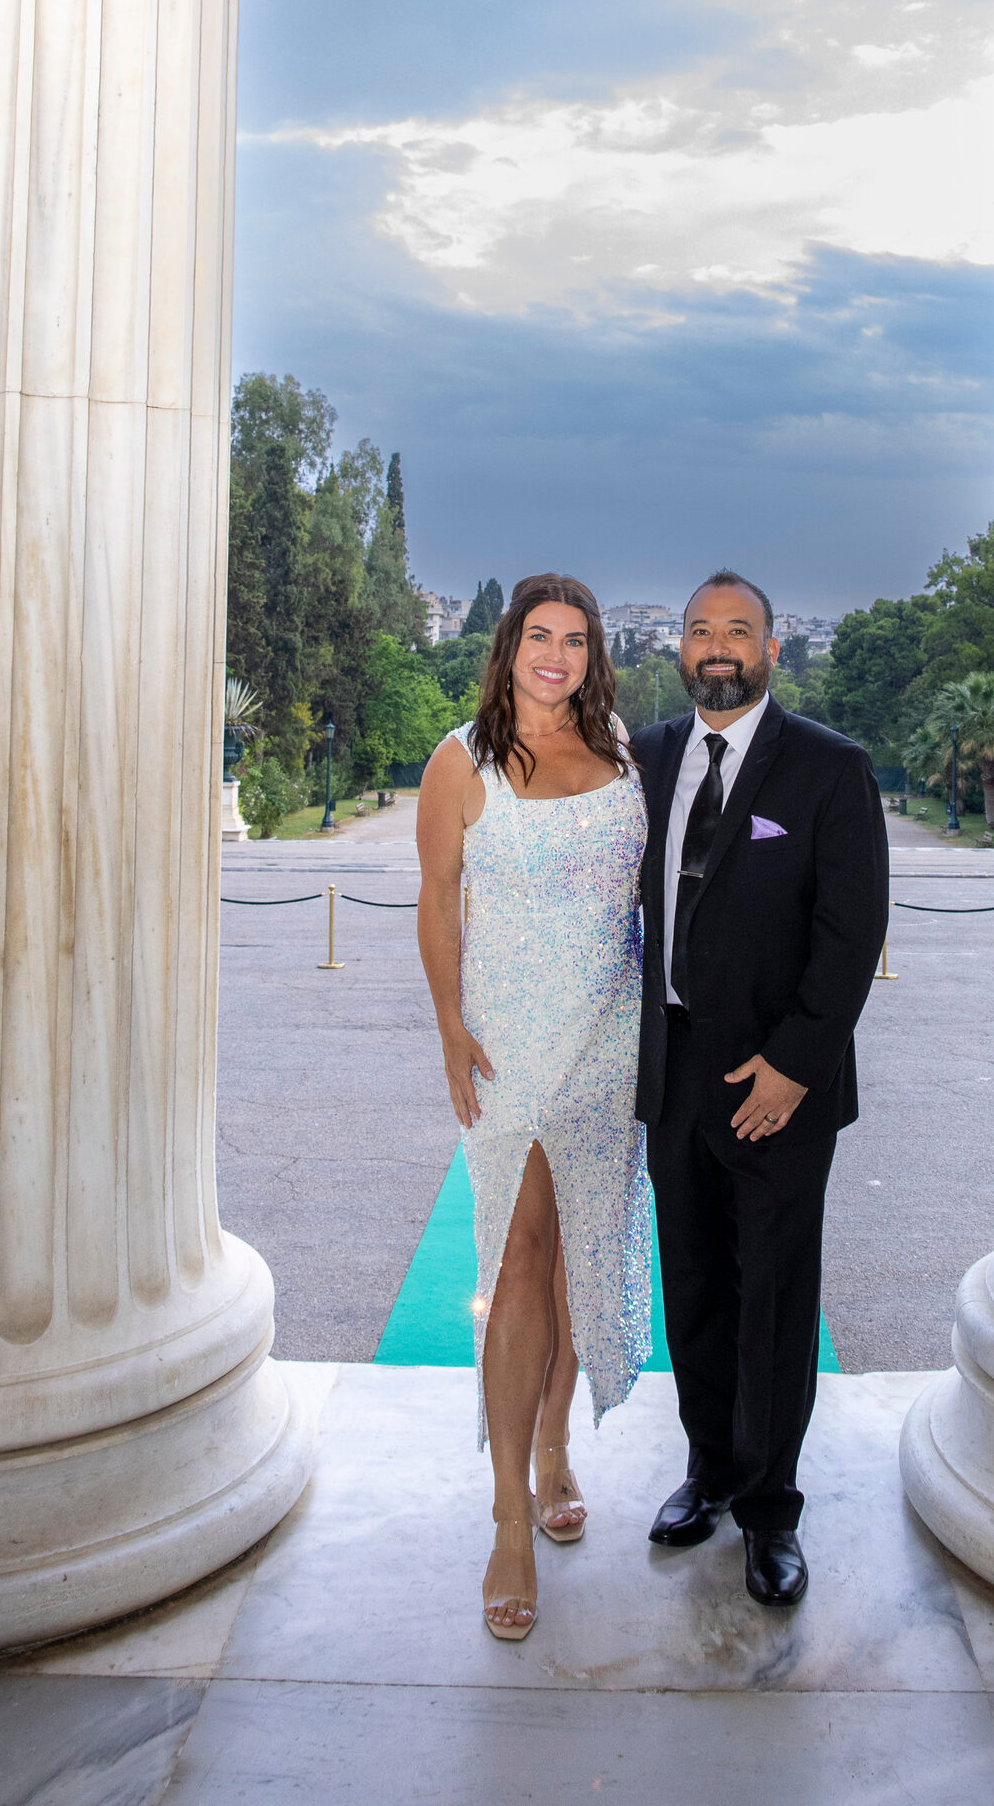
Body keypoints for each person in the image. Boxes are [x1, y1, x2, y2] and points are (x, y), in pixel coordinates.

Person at [632, 570, 889, 1607]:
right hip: (676, 1066)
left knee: (774, 1293)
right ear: (681, 649)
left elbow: (850, 933)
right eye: (701, 630)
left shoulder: (830, 767)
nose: (718, 646)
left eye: (739, 629)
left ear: (773, 649)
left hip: (781, 1075)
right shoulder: (645, 757)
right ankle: (710, 1470)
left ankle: (773, 1507)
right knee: (693, 1281)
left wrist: (794, 1065)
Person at [417, 574, 651, 1642]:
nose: (554, 654)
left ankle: (557, 1442)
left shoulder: (625, 760)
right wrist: (450, 1026)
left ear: (593, 653)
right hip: (508, 1045)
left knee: (573, 1255)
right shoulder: (459, 762)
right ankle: (512, 1513)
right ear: (509, 646)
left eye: (575, 638)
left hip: (606, 1042)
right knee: (517, 1256)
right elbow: (436, 895)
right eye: (538, 636)